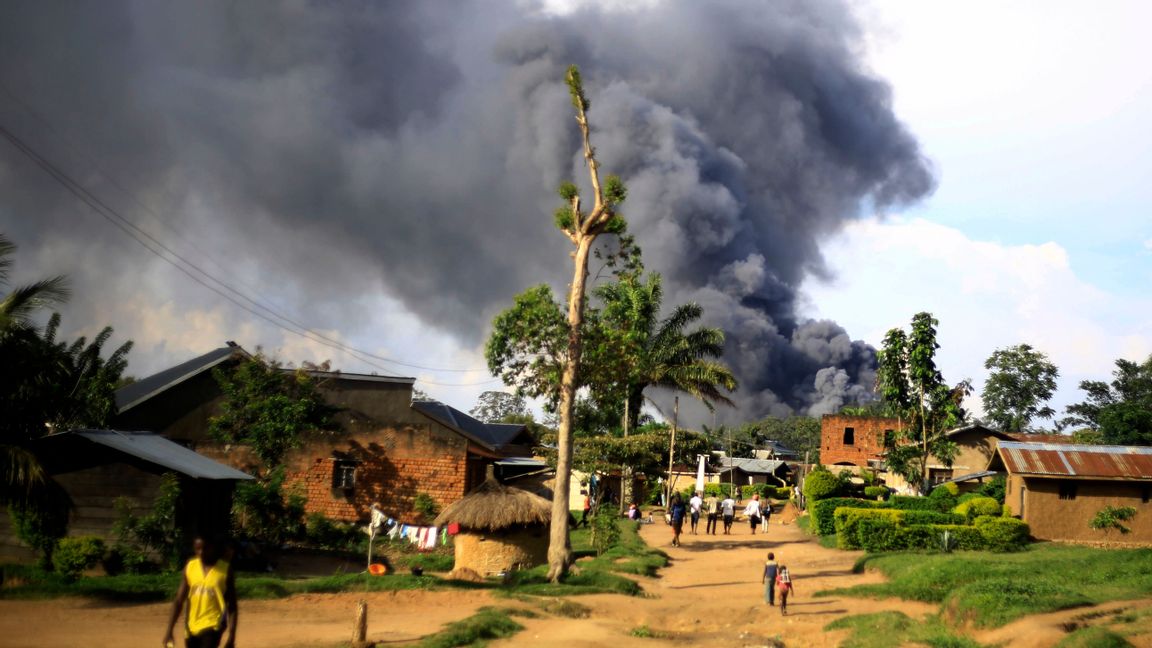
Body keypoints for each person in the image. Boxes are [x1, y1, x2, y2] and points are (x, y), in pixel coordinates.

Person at [164, 535, 238, 648]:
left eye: (205, 548)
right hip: (191, 626)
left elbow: (232, 605)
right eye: (198, 549)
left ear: (212, 548)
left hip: (214, 624)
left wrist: (232, 635)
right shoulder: (190, 567)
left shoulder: (225, 570)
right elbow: (179, 601)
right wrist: (169, 630)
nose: (201, 552)